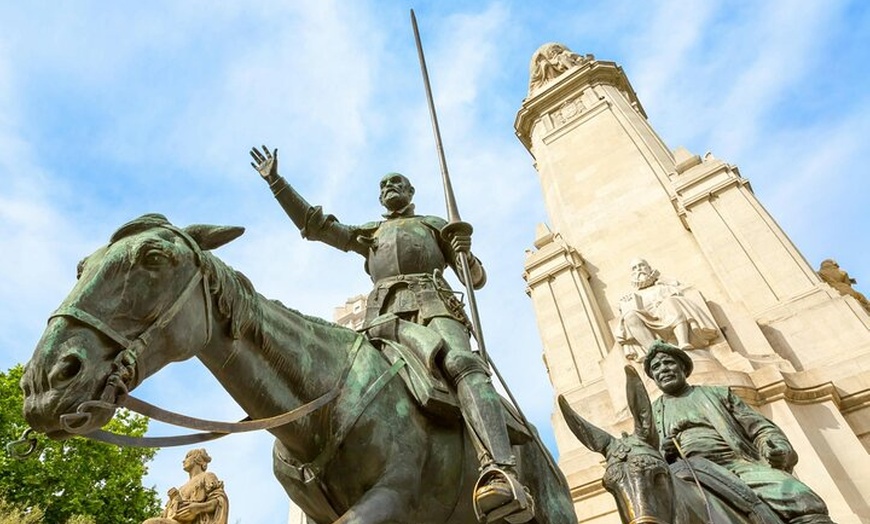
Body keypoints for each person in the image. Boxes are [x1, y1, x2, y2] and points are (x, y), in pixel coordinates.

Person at [250, 146, 531, 520]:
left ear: (410, 192)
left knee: (464, 365)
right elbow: (317, 226)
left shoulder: (432, 225)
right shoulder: (371, 233)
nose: (388, 187)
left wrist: (465, 252)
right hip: (380, 321)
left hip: (433, 309)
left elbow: (474, 279)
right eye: (383, 185)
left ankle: (499, 469)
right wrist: (277, 183)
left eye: (396, 183)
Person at [644, 341, 834, 524]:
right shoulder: (652, 415)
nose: (663, 369)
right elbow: (644, 459)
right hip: (683, 475)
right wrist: (663, 452)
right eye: (656, 367)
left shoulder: (718, 394)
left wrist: (776, 448)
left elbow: (760, 428)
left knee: (800, 496)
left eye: (669, 363)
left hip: (734, 466)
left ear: (683, 368)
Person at [615, 258, 718, 359]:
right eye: (634, 268)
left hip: (667, 314)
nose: (638, 269)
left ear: (649, 268)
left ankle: (683, 342)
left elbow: (683, 289)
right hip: (648, 321)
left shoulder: (663, 286)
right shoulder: (634, 295)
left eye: (641, 265)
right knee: (630, 316)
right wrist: (625, 306)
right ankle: (656, 352)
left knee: (670, 302)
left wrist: (664, 282)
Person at [143, 448, 229, 524]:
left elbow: (218, 500)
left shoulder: (207, 476)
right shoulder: (181, 488)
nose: (183, 461)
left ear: (198, 459)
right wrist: (174, 500)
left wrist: (198, 508)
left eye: (187, 457)